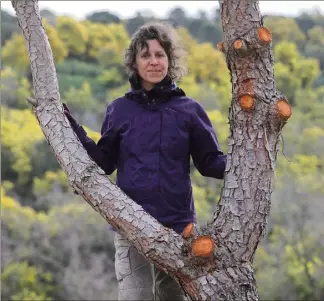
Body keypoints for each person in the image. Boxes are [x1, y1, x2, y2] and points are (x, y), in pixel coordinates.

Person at [64, 21, 227, 301]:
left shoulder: (189, 111)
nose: (154, 62)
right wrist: (71, 128)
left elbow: (210, 162)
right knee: (134, 297)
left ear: (170, 60)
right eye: (146, 55)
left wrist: (252, 160)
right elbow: (103, 163)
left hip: (178, 228)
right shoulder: (119, 109)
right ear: (134, 63)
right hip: (130, 225)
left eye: (160, 54)